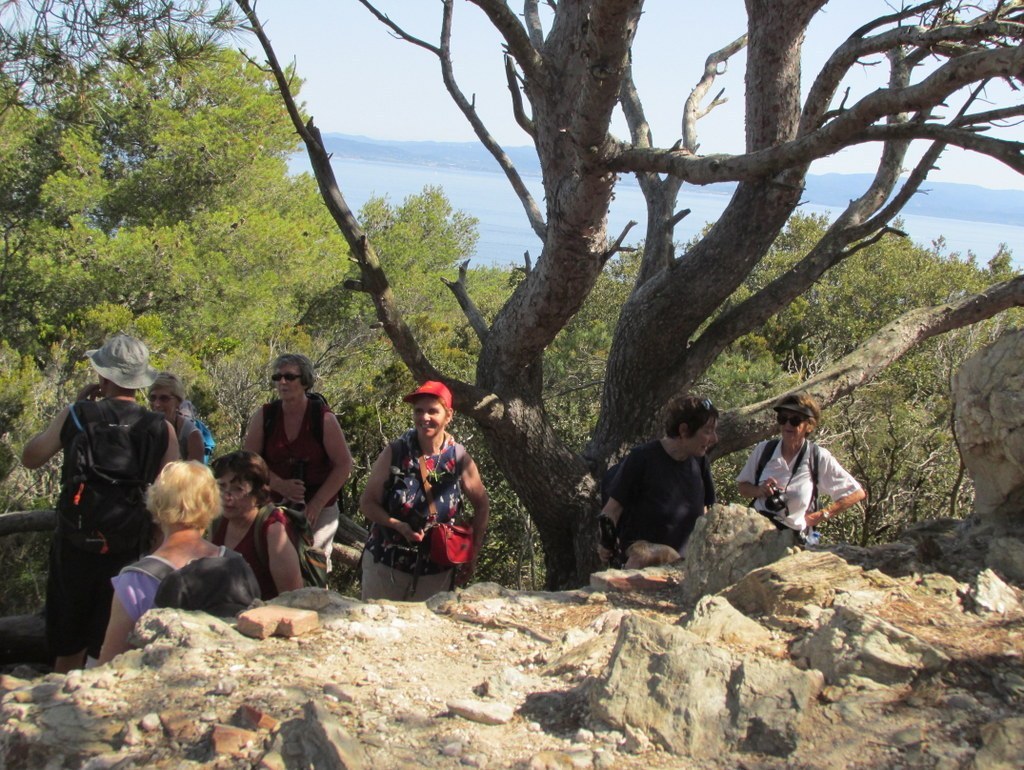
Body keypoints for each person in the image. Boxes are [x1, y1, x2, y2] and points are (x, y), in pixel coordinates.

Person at [21, 334, 178, 672]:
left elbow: (31, 457)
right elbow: (170, 496)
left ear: (103, 376)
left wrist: (74, 411)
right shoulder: (160, 427)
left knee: (68, 640)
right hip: (128, 544)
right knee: (114, 639)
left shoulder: (77, 415)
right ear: (139, 381)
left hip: (75, 541)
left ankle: (63, 699)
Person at [98, 462, 260, 664]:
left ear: (156, 503)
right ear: (212, 504)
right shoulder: (236, 563)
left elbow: (112, 661)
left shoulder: (136, 579)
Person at [359, 380, 489, 601]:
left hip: (437, 571)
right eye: (419, 411)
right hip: (387, 565)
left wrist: (472, 551)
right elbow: (367, 502)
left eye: (432, 411)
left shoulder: (458, 457)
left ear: (449, 416)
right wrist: (397, 525)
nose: (424, 417)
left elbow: (482, 503)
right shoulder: (396, 452)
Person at [242, 353, 353, 563]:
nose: (282, 382)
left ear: (305, 381)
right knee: (268, 561)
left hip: (318, 507)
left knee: (312, 565)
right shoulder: (266, 416)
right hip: (273, 503)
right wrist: (279, 484)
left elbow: (344, 464)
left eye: (289, 377)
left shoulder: (323, 418)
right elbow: (249, 460)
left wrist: (316, 504)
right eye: (278, 377)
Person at [598, 395, 718, 567]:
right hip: (641, 571)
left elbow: (705, 513)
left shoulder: (700, 462)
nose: (715, 439)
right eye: (707, 431)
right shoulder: (642, 458)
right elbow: (611, 512)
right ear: (684, 430)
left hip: (686, 570)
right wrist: (605, 544)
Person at [736, 393, 866, 542]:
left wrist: (821, 515)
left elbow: (856, 493)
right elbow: (743, 487)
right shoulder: (764, 450)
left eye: (795, 420)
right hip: (757, 533)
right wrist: (759, 490)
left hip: (792, 539)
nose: (787, 425)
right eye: (783, 419)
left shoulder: (817, 457)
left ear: (809, 426)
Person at [210, 450, 304, 600]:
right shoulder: (218, 520)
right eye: (222, 486)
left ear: (258, 493)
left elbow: (293, 598)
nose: (227, 496)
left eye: (238, 489)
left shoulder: (273, 529)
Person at [149, 372, 205, 463]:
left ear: (178, 402)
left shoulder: (192, 436)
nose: (157, 404)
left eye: (164, 398)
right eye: (153, 398)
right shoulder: (143, 429)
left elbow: (195, 475)